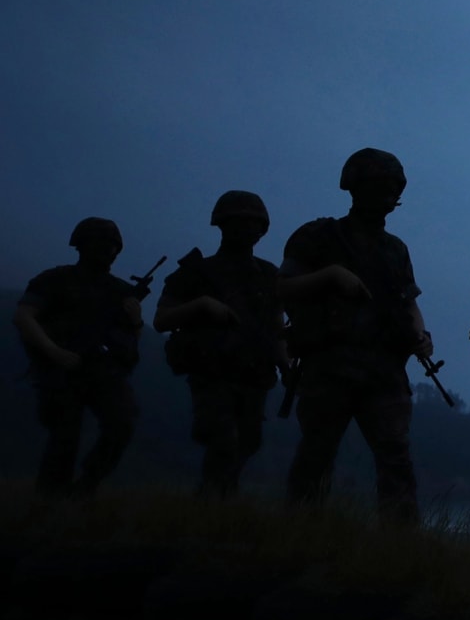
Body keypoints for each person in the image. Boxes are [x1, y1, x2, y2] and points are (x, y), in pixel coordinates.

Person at [279, 148, 430, 524]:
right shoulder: (318, 236)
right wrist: (330, 276)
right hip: (329, 363)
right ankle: (299, 531)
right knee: (317, 454)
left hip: (384, 369)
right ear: (355, 187)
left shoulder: (395, 250)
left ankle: (400, 542)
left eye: (391, 188)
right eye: (378, 186)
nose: (386, 196)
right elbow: (282, 288)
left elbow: (408, 300)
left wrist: (421, 334)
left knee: (395, 457)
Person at [153, 191, 288, 499]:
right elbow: (162, 319)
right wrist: (201, 306)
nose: (250, 230)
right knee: (223, 440)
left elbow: (276, 325)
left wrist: (285, 365)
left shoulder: (268, 275)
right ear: (223, 225)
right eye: (241, 223)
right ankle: (212, 507)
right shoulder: (196, 273)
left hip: (253, 375)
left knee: (248, 443)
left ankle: (216, 502)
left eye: (256, 224)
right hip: (212, 373)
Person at [12, 218, 150, 495]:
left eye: (111, 245)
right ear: (81, 245)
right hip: (60, 370)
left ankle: (86, 486)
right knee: (64, 437)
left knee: (122, 423)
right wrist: (54, 352)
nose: (106, 251)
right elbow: (24, 316)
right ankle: (51, 500)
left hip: (104, 372)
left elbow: (130, 341)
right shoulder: (54, 280)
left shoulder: (121, 290)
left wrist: (136, 321)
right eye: (99, 244)